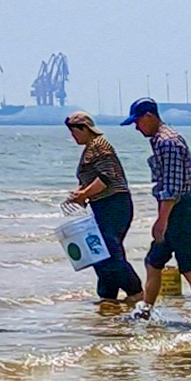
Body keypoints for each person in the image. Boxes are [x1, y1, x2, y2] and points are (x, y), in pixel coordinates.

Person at [125, 100, 191, 327]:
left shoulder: (167, 142)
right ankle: (146, 311)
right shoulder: (162, 140)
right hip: (179, 209)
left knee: (189, 268)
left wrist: (162, 220)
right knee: (153, 261)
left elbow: (172, 188)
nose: (137, 128)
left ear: (149, 116)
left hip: (178, 210)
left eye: (137, 122)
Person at [63, 113, 140, 313]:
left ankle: (137, 293)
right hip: (103, 204)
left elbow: (106, 178)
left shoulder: (100, 146)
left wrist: (83, 195)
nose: (73, 137)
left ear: (84, 129)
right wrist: (81, 193)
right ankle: (108, 299)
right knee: (99, 254)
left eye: (74, 132)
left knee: (108, 253)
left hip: (114, 204)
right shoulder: (90, 149)